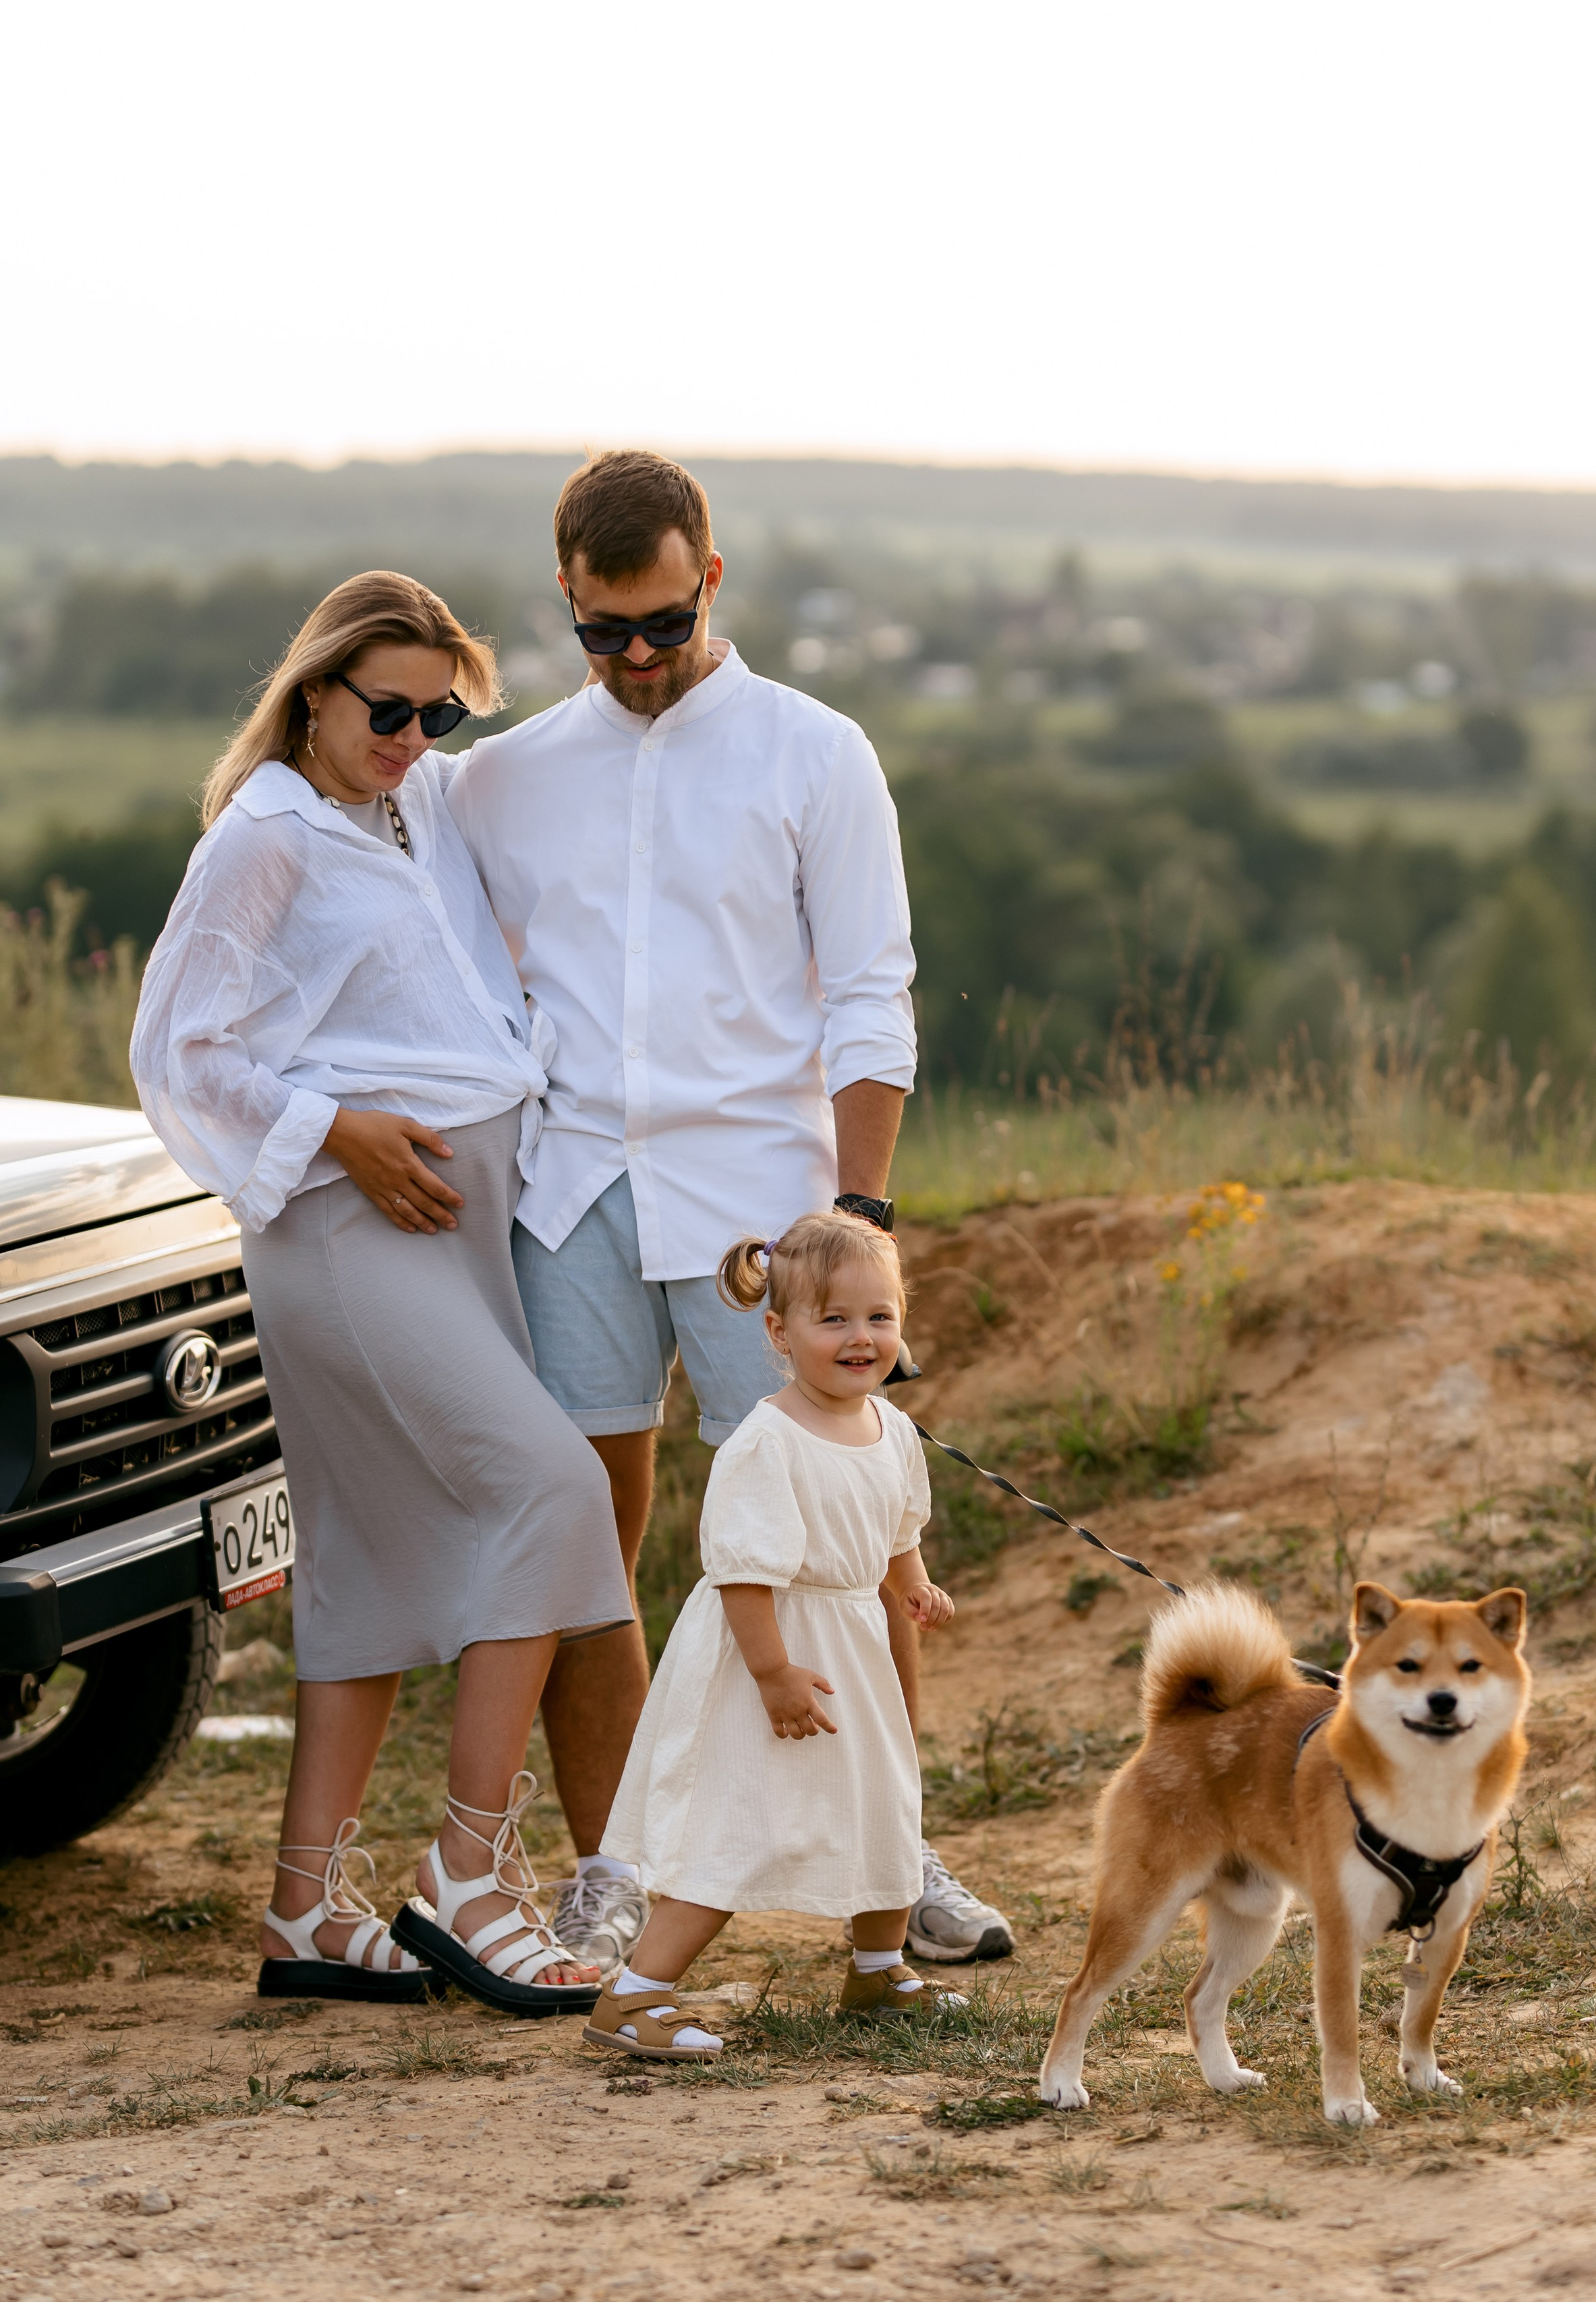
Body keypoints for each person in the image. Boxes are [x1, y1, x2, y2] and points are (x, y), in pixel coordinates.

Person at [445, 449, 1016, 1972]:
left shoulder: (813, 752)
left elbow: (868, 992)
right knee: (583, 1535)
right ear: (564, 597)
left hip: (763, 1207)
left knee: (841, 1528)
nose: (635, 659)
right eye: (601, 632)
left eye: (661, 624)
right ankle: (614, 1863)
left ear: (711, 579)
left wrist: (859, 1212)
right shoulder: (499, 778)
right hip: (569, 1189)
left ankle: (895, 1856)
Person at [131, 572, 632, 2015]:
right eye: (387, 710)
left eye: (438, 712)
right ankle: (471, 1874)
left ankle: (305, 1908)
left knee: (354, 1562)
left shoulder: (406, 806)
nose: (412, 735)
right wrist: (335, 1127)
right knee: (547, 1487)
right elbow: (179, 1049)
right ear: (312, 697)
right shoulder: (269, 834)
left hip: (453, 1224)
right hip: (351, 1220)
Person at [586, 1211, 961, 2059]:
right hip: (770, 1650)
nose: (860, 1338)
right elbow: (744, 1575)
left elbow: (898, 1530)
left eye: (879, 1317)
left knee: (883, 1806)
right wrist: (772, 1673)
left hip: (852, 1650)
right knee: (741, 1820)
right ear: (779, 1332)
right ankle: (635, 1997)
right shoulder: (765, 1442)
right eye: (833, 1320)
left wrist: (913, 1587)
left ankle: (878, 1969)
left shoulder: (892, 1430)